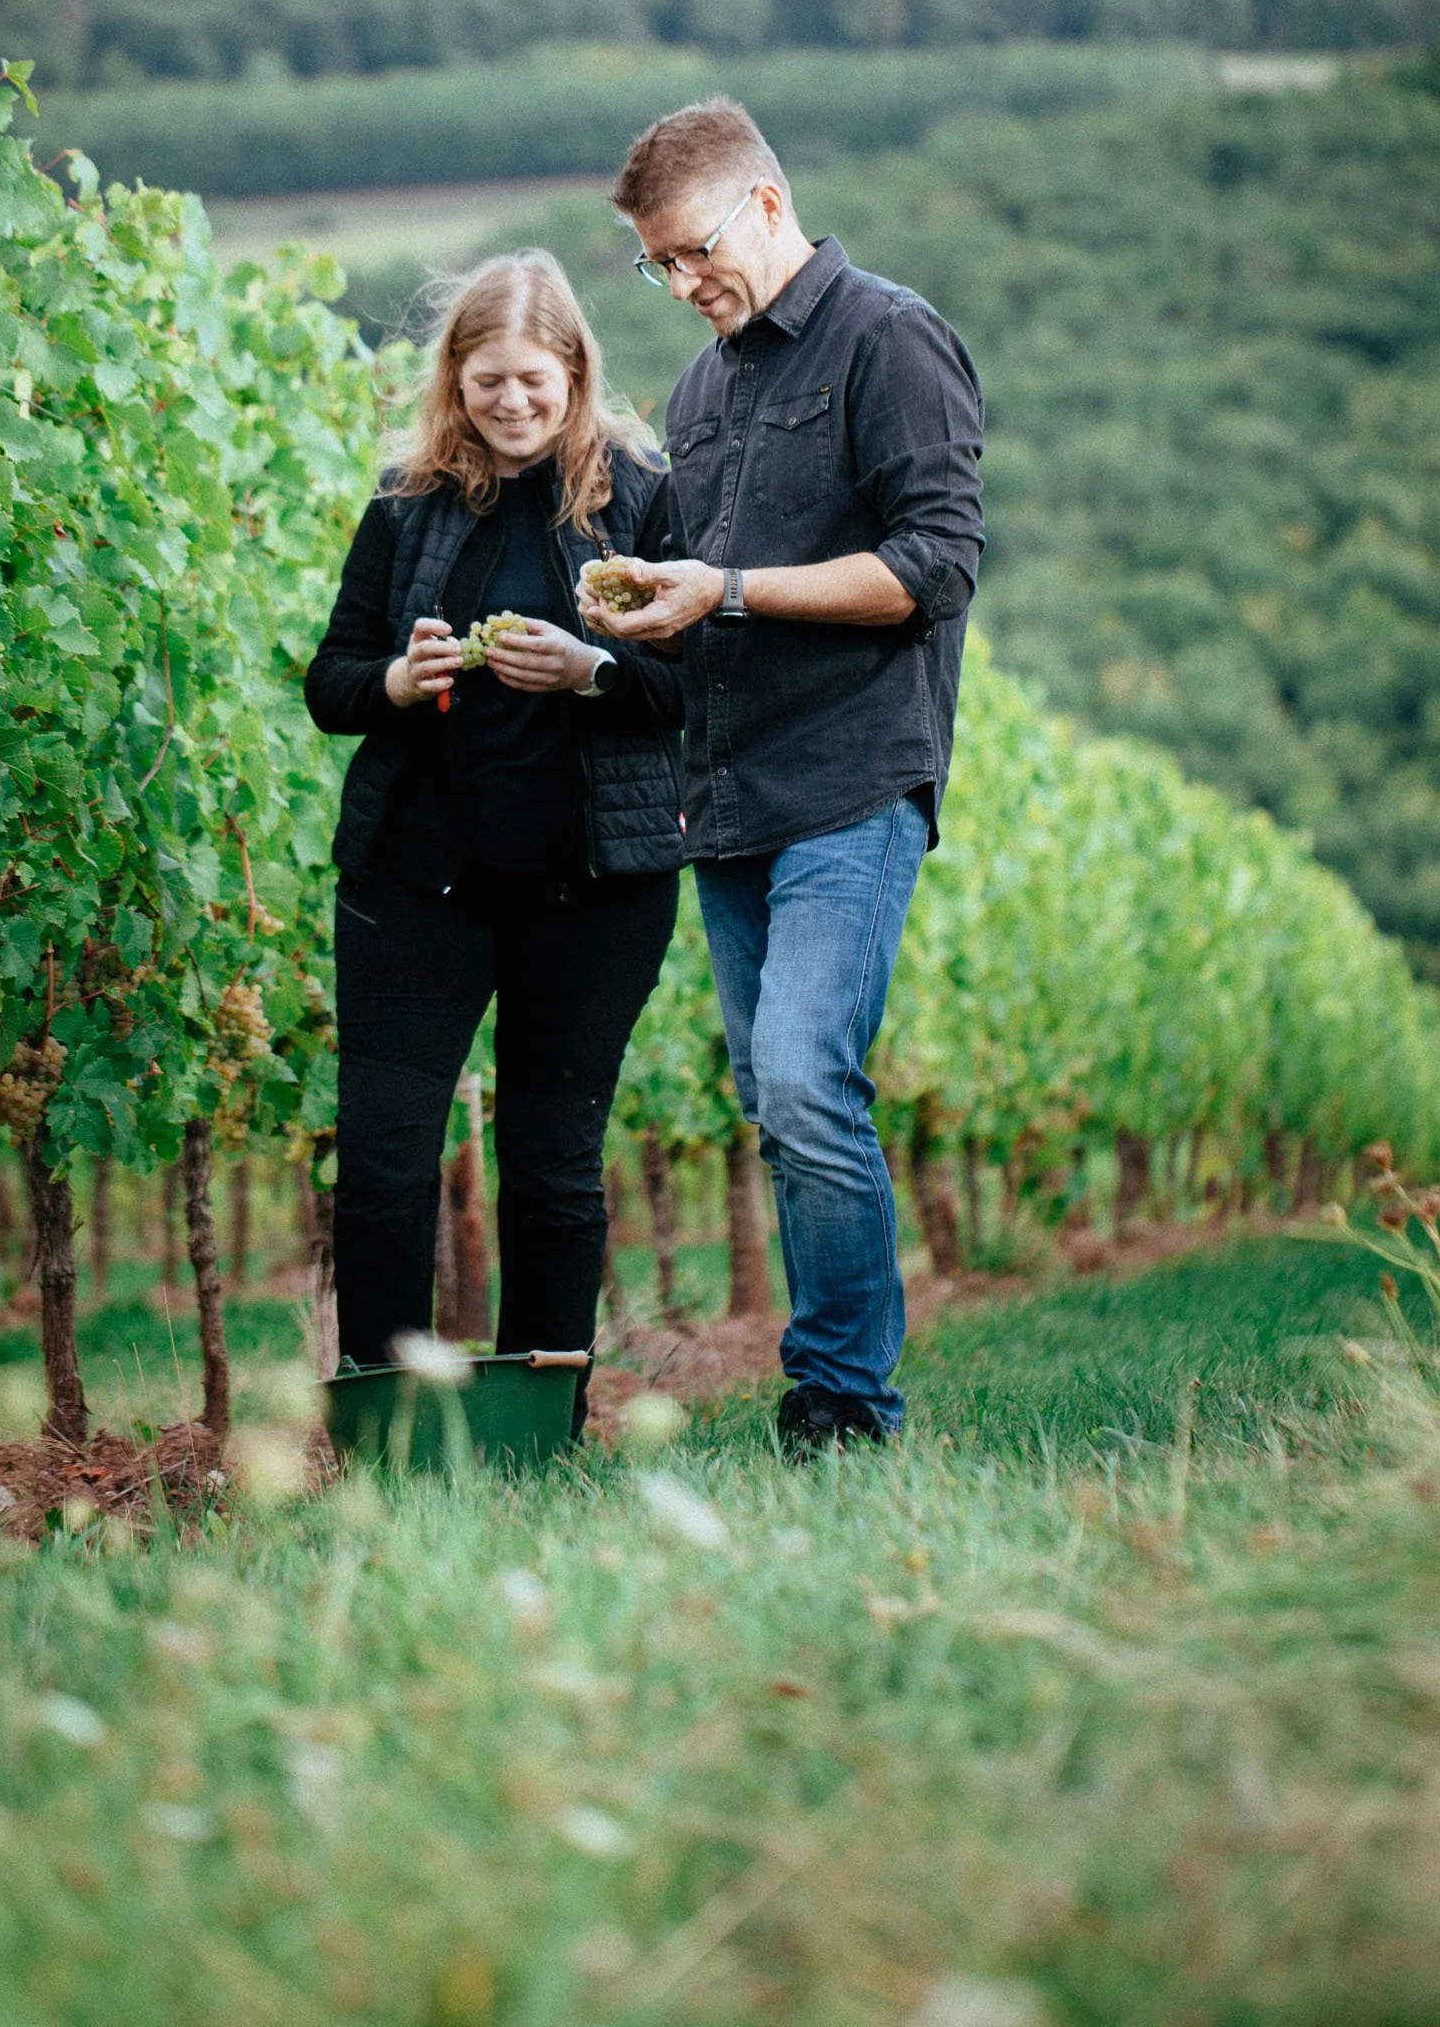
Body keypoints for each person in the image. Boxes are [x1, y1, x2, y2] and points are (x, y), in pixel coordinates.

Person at [581, 99, 984, 1455]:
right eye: (659, 269)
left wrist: (731, 587)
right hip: (730, 796)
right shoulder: (700, 393)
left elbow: (931, 568)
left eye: (692, 253)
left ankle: (842, 1402)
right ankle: (830, 1391)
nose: (683, 286)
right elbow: (702, 605)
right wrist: (611, 637)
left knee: (806, 1077)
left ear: (763, 204)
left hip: (850, 781)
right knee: (773, 1098)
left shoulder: (888, 338)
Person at [304, 250, 684, 1433]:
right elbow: (331, 682)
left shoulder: (638, 496)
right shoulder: (406, 504)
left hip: (594, 891)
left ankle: (534, 1434)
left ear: (574, 371)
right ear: (452, 384)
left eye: (531, 381)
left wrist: (592, 671)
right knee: (381, 1165)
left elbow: (691, 693)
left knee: (555, 1160)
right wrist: (400, 683)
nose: (509, 405)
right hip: (417, 882)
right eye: (484, 386)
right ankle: (386, 1429)